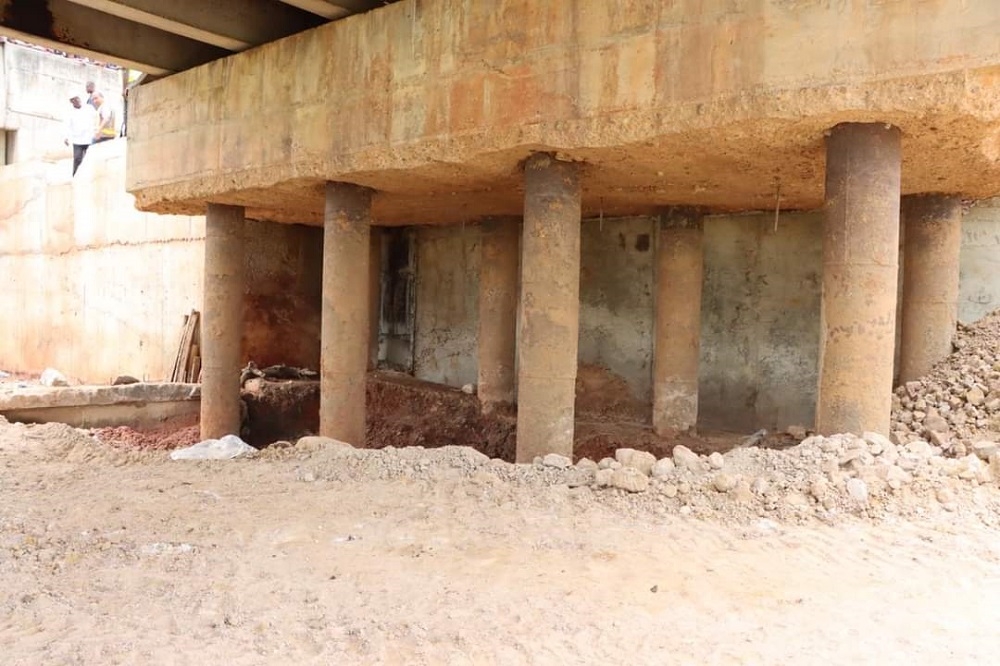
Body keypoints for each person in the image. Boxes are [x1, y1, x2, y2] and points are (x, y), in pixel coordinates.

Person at [64, 95, 97, 176]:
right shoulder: (70, 112)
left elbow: (96, 118)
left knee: (89, 158)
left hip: (89, 137)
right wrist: (66, 137)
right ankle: (75, 176)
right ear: (71, 102)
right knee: (77, 158)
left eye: (77, 98)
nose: (77, 101)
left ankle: (89, 175)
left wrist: (96, 130)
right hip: (77, 140)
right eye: (74, 100)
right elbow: (67, 125)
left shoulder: (89, 108)